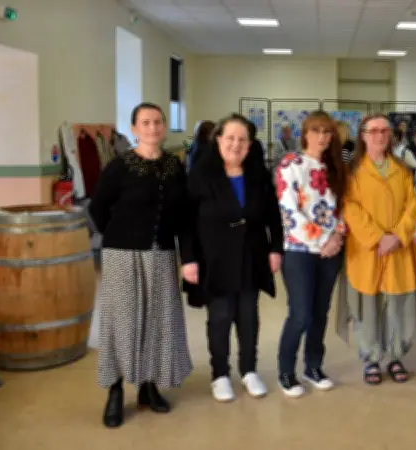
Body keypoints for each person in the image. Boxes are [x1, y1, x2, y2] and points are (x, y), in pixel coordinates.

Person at [89, 102, 192, 428]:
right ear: (134, 128)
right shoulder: (119, 166)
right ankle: (116, 390)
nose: (152, 127)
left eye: (157, 121)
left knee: (157, 322)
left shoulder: (174, 166)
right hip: (122, 255)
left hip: (161, 255)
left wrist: (188, 257)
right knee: (122, 323)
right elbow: (98, 208)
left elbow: (183, 216)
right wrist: (120, 234)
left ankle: (149, 386)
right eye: (145, 122)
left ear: (164, 126)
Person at [181, 113, 284, 402]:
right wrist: (188, 259)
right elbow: (186, 222)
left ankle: (249, 370)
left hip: (252, 256)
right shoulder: (201, 174)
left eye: (242, 140)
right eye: (230, 138)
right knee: (221, 316)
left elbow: (273, 217)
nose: (236, 145)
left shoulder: (258, 175)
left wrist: (276, 249)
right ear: (218, 140)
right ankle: (220, 375)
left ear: (249, 145)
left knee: (248, 316)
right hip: (214, 258)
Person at [342, 113, 416, 385]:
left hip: (398, 248)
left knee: (398, 304)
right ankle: (371, 358)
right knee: (368, 305)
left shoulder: (402, 169)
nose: (380, 136)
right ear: (363, 136)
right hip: (367, 249)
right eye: (373, 131)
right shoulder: (353, 171)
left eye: (384, 131)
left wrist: (397, 235)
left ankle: (396, 356)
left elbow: (412, 206)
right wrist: (377, 237)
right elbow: (350, 207)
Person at [275, 110, 347, 398]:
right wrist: (321, 241)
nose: (322, 137)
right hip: (300, 250)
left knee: (320, 312)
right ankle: (286, 371)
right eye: (316, 131)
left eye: (327, 132)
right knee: (301, 313)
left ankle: (313, 366)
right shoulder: (290, 164)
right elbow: (289, 212)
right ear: (305, 133)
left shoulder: (335, 168)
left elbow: (343, 207)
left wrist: (337, 236)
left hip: (331, 252)